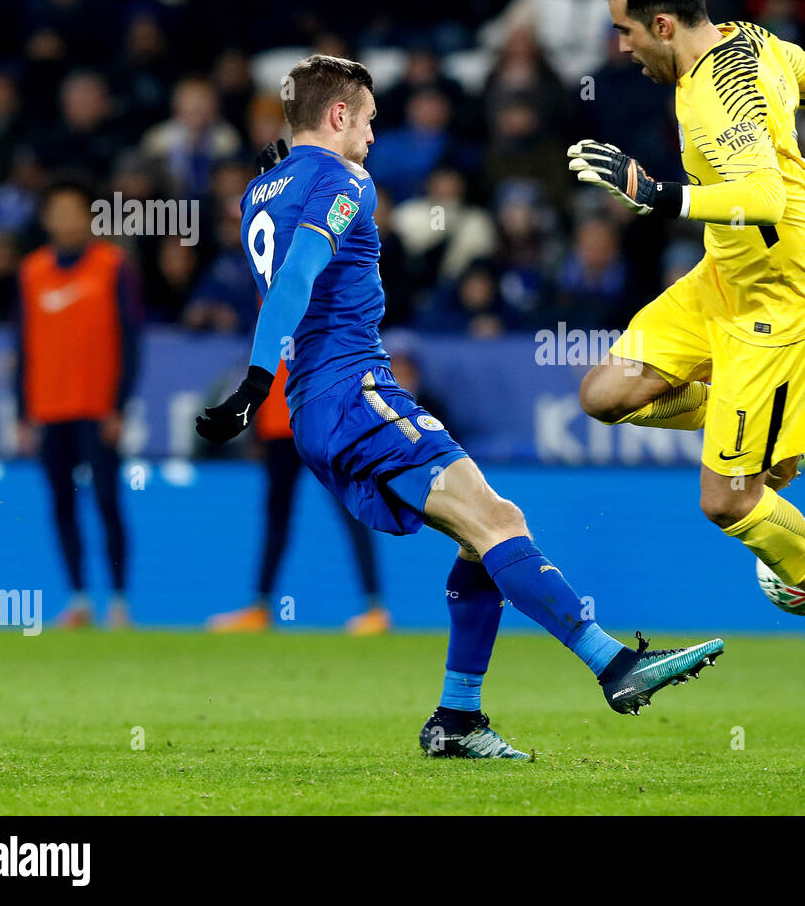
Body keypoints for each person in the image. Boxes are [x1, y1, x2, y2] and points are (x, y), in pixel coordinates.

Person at [195, 56, 723, 761]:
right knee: (499, 521)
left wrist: (269, 383)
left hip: (320, 408)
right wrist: (255, 382)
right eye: (372, 121)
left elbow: (284, 239)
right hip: (355, 393)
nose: (375, 138)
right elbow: (296, 277)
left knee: (485, 534)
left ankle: (457, 718)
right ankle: (612, 666)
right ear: (340, 116)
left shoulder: (259, 190)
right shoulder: (344, 180)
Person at [571, 0, 805, 702]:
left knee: (727, 497)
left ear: (662, 23)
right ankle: (762, 418)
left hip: (782, 306)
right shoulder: (750, 39)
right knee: (604, 392)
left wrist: (661, 196)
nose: (621, 48)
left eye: (625, 33)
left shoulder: (720, 99)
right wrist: (794, 101)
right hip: (723, 277)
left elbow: (767, 199)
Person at [16, 175, 140, 628]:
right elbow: (23, 345)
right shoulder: (31, 272)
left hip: (97, 409)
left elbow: (130, 342)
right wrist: (21, 413)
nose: (66, 220)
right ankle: (80, 600)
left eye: (74, 211)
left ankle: (121, 602)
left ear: (89, 218)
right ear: (47, 219)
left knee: (107, 500)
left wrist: (118, 406)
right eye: (58, 211)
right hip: (50, 409)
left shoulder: (112, 266)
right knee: (61, 504)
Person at [205, 357, 391, 635]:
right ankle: (260, 608)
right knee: (278, 517)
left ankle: (375, 609)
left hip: (322, 419)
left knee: (350, 511)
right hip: (280, 422)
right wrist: (258, 423)